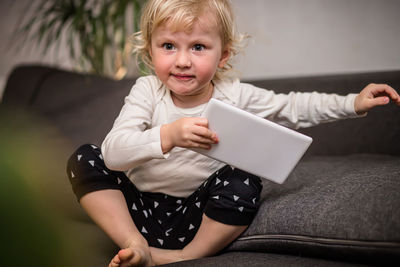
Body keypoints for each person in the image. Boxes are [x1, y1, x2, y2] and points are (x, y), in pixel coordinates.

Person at [66, 0, 400, 266]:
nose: (182, 60)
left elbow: (293, 107)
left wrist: (352, 102)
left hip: (198, 216)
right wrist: (168, 135)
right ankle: (134, 244)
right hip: (137, 210)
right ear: (150, 51)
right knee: (86, 157)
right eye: (168, 45)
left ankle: (185, 256)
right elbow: (114, 153)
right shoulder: (147, 91)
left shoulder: (235, 95)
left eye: (198, 47)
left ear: (223, 55)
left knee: (245, 176)